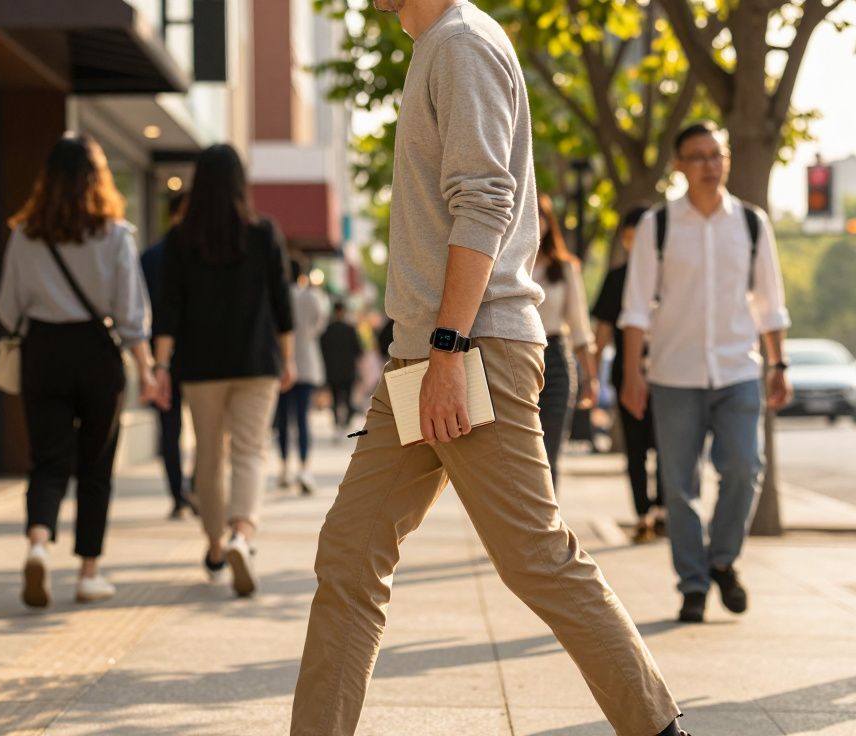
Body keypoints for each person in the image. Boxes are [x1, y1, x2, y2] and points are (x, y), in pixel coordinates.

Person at [290, 2, 683, 735]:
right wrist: (427, 347)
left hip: (471, 346)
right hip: (424, 350)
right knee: (349, 557)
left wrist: (446, 348)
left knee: (535, 555)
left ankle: (658, 728)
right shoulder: (435, 45)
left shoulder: (462, 43)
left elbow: (485, 200)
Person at [619, 121, 792, 624]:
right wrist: (633, 373)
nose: (710, 166)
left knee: (744, 467)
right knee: (678, 486)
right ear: (678, 166)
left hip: (739, 369)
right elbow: (635, 307)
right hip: (674, 371)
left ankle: (722, 559)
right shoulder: (659, 224)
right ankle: (693, 584)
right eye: (697, 157)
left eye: (717, 155)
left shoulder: (752, 222)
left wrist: (778, 364)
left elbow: (769, 303)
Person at [0, 134, 157, 608]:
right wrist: (146, 370)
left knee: (46, 460)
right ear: (96, 178)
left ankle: (39, 544)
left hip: (42, 350)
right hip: (96, 353)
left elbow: (8, 308)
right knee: (95, 466)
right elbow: (131, 314)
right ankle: (88, 573)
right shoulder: (114, 234)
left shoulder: (24, 235)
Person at [152, 144, 295, 599]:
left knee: (209, 458)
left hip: (201, 366)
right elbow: (282, 304)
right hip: (257, 363)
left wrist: (159, 366)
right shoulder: (263, 232)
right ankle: (241, 534)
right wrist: (288, 359)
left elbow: (168, 310)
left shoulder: (180, 239)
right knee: (250, 452)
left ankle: (215, 546)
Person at [593, 206, 666, 543]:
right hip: (628, 375)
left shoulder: (670, 276)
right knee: (635, 449)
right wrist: (592, 376)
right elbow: (603, 332)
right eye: (628, 236)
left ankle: (664, 511)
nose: (634, 242)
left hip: (670, 375)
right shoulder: (617, 277)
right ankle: (642, 516)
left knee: (668, 446)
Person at [532, 193, 597, 490]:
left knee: (549, 453)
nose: (535, 221)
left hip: (555, 360)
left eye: (540, 215)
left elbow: (581, 329)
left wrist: (591, 378)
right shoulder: (502, 266)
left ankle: (546, 532)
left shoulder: (565, 268)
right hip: (512, 360)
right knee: (519, 456)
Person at [141, 192, 194, 519]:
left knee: (173, 429)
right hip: (189, 355)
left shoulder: (149, 256)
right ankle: (186, 492)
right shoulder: (192, 253)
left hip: (164, 354)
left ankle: (183, 493)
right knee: (195, 427)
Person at [275, 260, 328, 495]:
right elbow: (320, 324)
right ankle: (305, 468)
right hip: (307, 362)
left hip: (282, 363)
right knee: (303, 419)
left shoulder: (279, 295)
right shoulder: (312, 297)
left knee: (283, 419)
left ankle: (285, 468)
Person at [319, 301, 363, 435]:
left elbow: (321, 349)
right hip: (348, 371)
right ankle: (345, 422)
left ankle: (337, 422)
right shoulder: (350, 329)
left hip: (332, 371)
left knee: (334, 397)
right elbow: (359, 350)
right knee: (348, 398)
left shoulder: (327, 330)